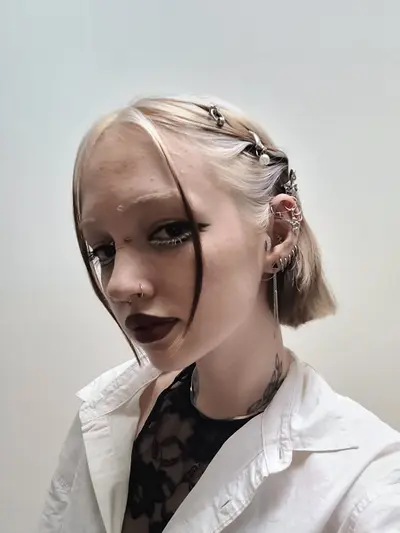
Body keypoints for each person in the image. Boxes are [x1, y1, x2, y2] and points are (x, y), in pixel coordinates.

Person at [38, 96, 400, 533]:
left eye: (170, 231)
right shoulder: (107, 414)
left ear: (276, 233)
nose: (119, 284)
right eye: (103, 250)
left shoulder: (366, 488)